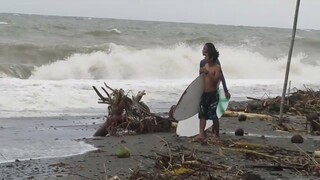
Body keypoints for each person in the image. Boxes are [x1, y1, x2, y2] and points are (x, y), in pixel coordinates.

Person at [197, 42, 225, 142]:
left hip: (213, 94)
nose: (205, 58)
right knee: (202, 114)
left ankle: (216, 134)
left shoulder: (217, 67)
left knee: (213, 115)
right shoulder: (204, 66)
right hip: (203, 94)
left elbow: (215, 81)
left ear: (212, 57)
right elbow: (199, 80)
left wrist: (207, 73)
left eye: (207, 56)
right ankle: (201, 134)